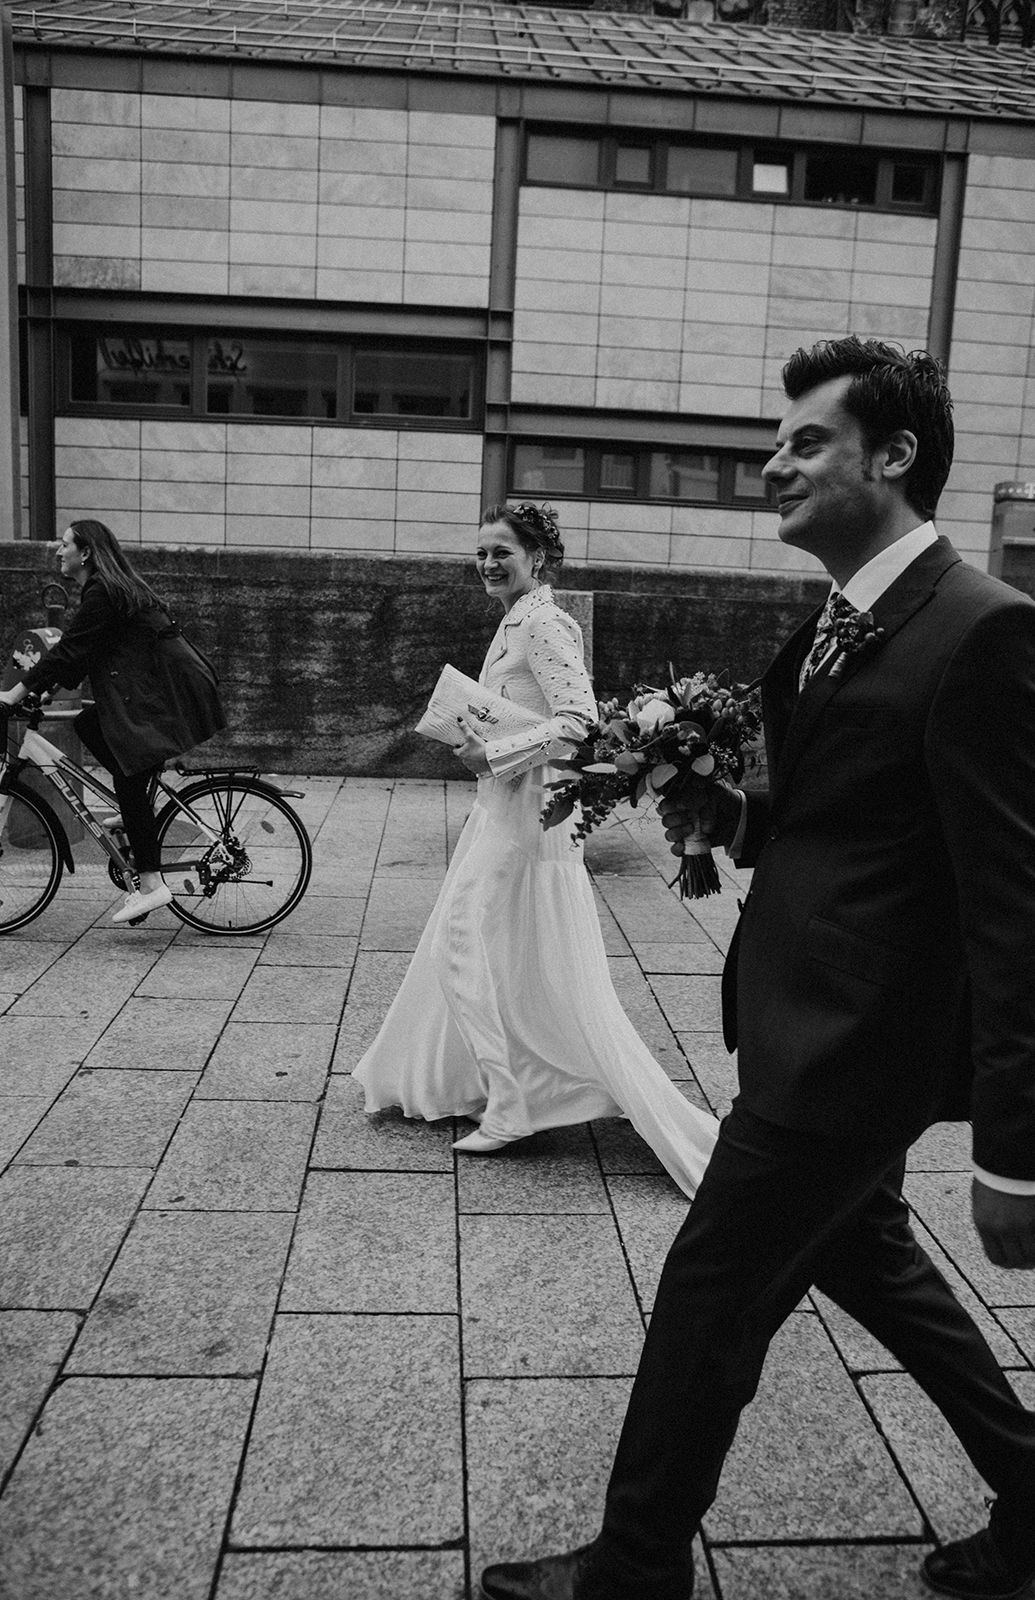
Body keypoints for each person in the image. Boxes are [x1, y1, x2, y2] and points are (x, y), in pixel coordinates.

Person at [480, 339, 1035, 1600]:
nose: (770, 462)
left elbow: (1013, 905)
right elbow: (858, 815)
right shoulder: (840, 617)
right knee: (866, 1258)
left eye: (804, 441)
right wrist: (733, 817)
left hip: (853, 1051)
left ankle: (634, 1568)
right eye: (774, 440)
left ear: (891, 457)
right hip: (808, 1024)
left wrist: (1013, 1153)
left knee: (707, 1294)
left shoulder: (983, 631)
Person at [352, 502, 717, 1193]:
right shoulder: (516, 618)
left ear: (537, 558)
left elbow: (577, 722)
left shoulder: (544, 622)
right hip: (504, 808)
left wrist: (491, 751)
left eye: (502, 553)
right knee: (498, 947)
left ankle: (513, 1101)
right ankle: (500, 1084)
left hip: (526, 814)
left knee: (463, 940)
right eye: (481, 552)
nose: (488, 563)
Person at [0, 520, 225, 925]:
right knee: (88, 724)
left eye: (65, 545)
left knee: (129, 774)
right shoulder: (107, 587)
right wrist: (46, 690)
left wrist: (15, 693)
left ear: (86, 553)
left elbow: (70, 649)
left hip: (168, 693)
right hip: (162, 689)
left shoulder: (104, 591)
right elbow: (86, 652)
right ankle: (136, 811)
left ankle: (151, 884)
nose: (58, 551)